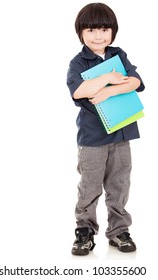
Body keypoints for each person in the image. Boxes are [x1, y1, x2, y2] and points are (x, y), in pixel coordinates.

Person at [66, 2, 145, 256]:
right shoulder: (78, 62)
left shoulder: (118, 55)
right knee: (90, 185)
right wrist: (107, 77)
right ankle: (85, 231)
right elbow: (80, 90)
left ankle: (119, 231)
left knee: (119, 183)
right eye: (91, 30)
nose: (98, 35)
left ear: (113, 31)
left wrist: (110, 88)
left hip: (122, 133)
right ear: (80, 33)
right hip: (93, 138)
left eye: (103, 29)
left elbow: (135, 81)